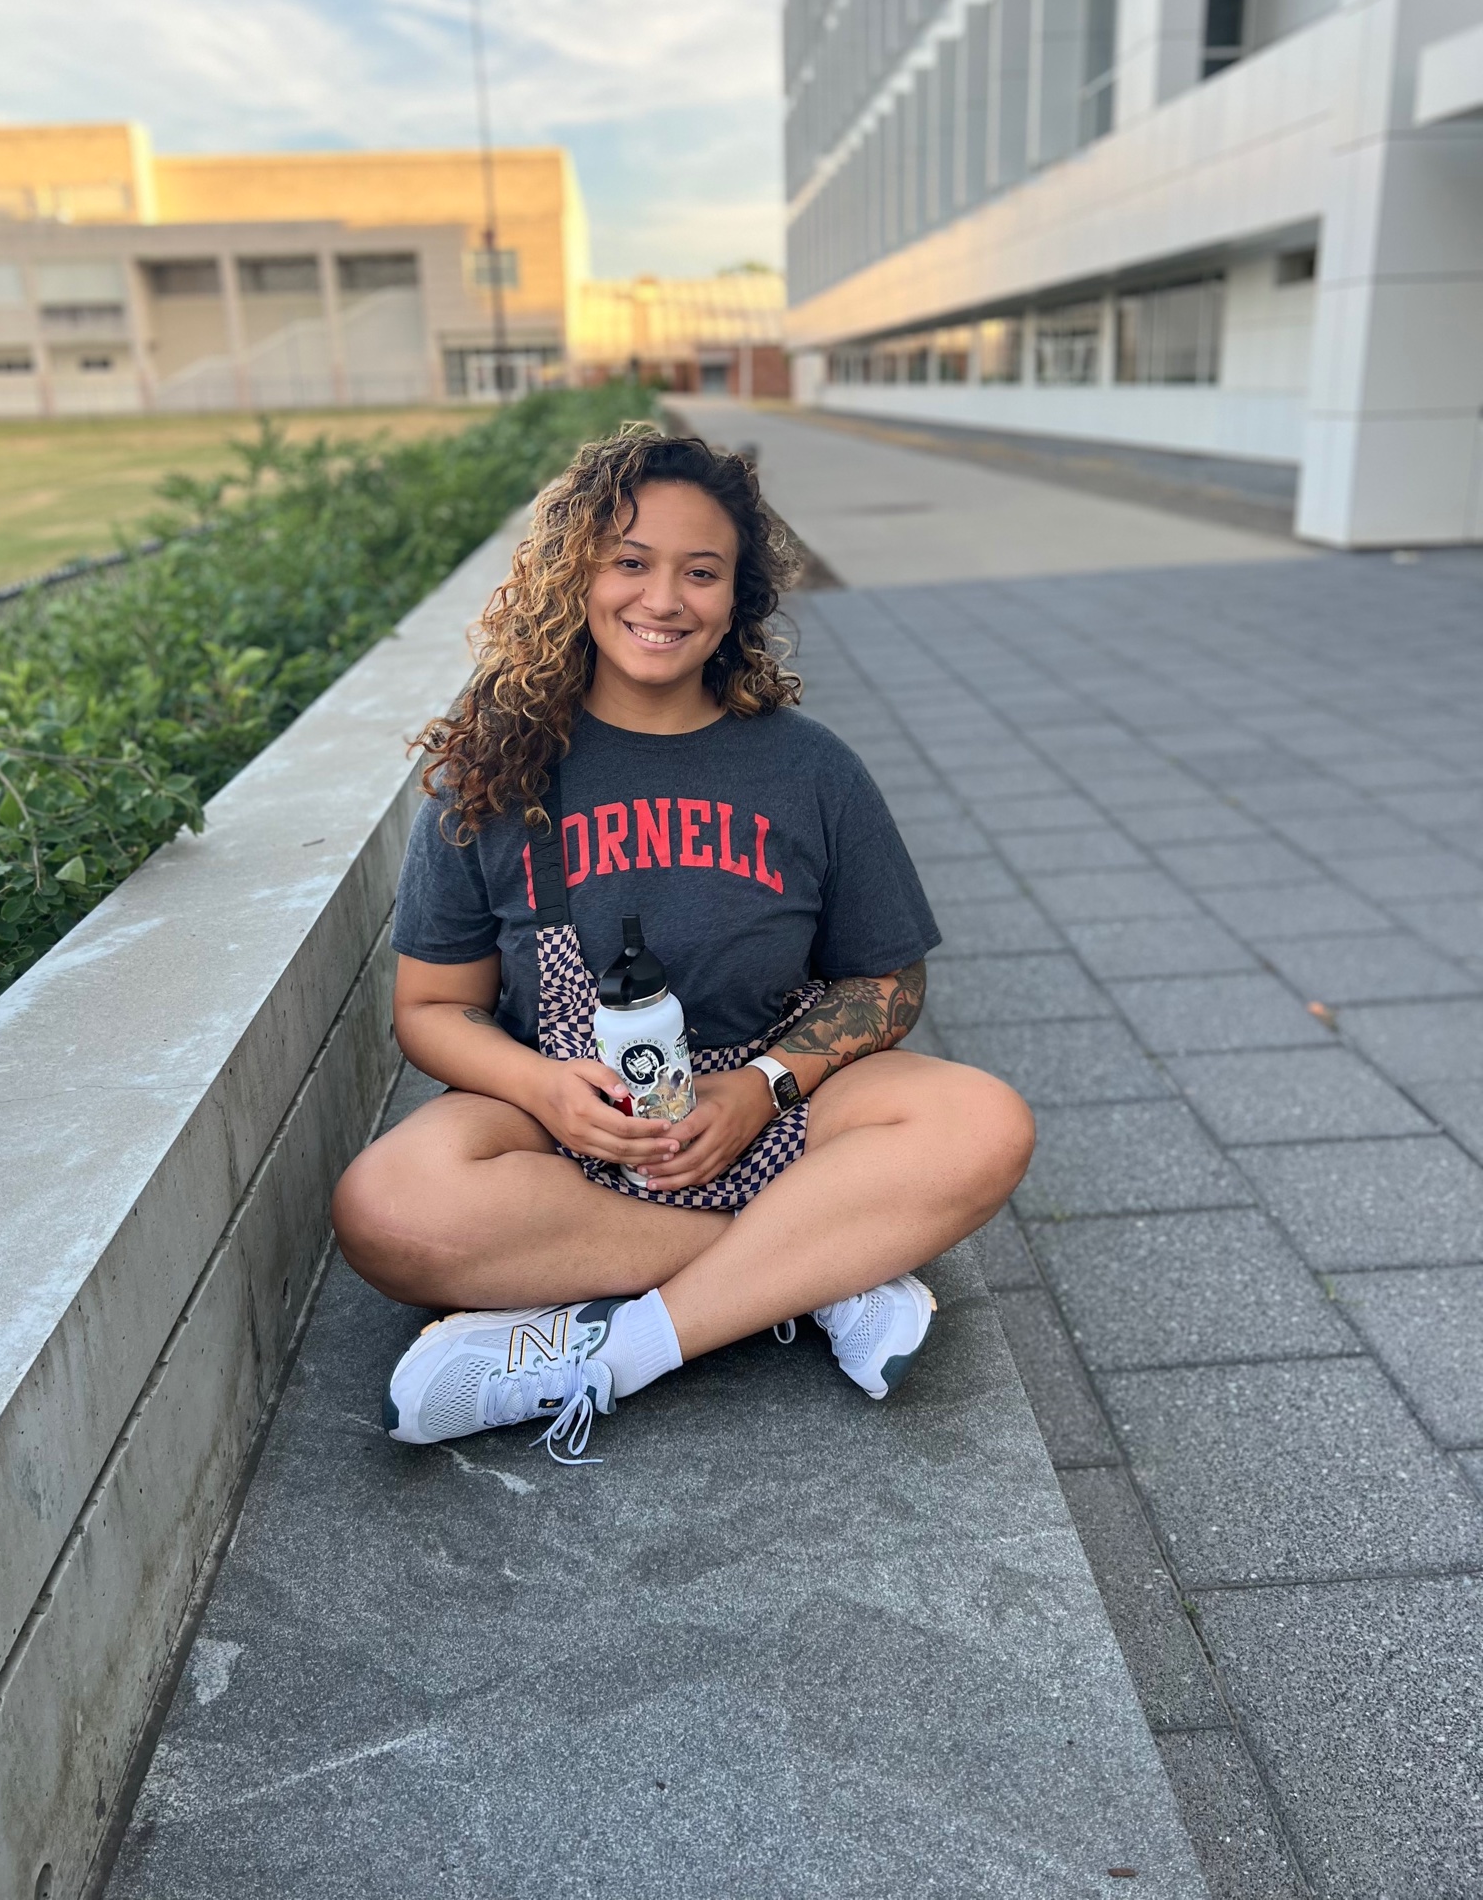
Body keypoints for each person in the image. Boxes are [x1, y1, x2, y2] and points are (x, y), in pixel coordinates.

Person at [331, 427, 1035, 1462]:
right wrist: (543, 1088)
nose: (663, 598)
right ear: (572, 573)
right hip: (576, 1139)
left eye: (700, 571)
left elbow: (887, 982)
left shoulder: (810, 771)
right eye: (629, 561)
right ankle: (817, 1276)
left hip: (772, 1122)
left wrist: (761, 1087)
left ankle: (609, 1351)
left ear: (736, 596)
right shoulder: (494, 772)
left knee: (983, 1121)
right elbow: (431, 1011)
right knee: (384, 1206)